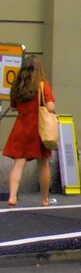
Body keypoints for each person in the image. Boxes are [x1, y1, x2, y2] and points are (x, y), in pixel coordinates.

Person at [2, 55, 56, 207]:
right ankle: (45, 199)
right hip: (38, 128)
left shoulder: (18, 86)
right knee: (43, 164)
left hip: (21, 126)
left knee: (19, 163)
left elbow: (13, 107)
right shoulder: (42, 85)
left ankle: (12, 196)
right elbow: (51, 106)